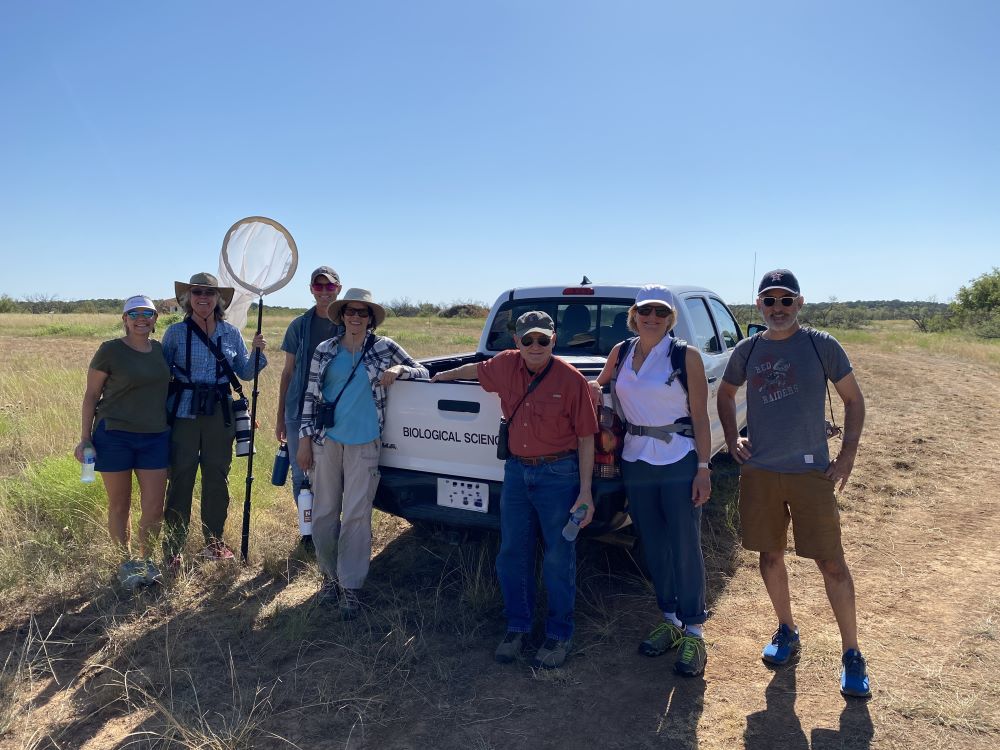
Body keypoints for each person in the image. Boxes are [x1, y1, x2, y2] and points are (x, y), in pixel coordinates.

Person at [717, 268, 871, 698]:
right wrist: (732, 438)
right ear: (759, 306)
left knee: (832, 562)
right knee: (769, 556)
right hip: (761, 471)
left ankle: (852, 653)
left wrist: (847, 456)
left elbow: (854, 400)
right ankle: (786, 629)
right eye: (769, 301)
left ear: (799, 304)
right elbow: (725, 393)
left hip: (810, 472)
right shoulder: (748, 350)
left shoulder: (821, 346)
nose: (778, 308)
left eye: (786, 300)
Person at [432, 311, 598, 669]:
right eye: (528, 340)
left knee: (558, 555)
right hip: (517, 474)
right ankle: (517, 626)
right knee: (512, 552)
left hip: (559, 474)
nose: (535, 346)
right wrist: (437, 377)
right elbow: (474, 370)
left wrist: (585, 492)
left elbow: (586, 437)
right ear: (516, 343)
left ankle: (558, 633)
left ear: (554, 341)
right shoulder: (504, 365)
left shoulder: (572, 381)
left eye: (543, 340)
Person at [589, 285, 713, 677]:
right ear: (635, 313)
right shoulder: (622, 352)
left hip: (678, 457)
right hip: (635, 459)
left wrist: (704, 467)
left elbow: (701, 414)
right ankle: (670, 620)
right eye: (646, 311)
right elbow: (600, 384)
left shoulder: (684, 356)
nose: (653, 318)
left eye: (661, 312)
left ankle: (694, 630)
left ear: (670, 317)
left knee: (684, 542)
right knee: (654, 543)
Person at [297, 289, 428, 618]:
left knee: (357, 516)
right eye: (350, 312)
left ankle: (351, 587)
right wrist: (303, 440)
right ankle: (329, 579)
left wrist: (399, 372)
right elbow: (311, 397)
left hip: (366, 441)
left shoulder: (385, 348)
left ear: (371, 318)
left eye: (362, 312)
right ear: (342, 316)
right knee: (326, 513)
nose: (356, 317)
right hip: (327, 441)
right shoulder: (325, 350)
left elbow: (423, 372)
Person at [161, 272, 267, 568]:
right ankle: (173, 548)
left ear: (219, 299)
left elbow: (245, 372)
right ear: (188, 298)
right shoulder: (174, 334)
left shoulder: (231, 333)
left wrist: (258, 351)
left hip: (220, 412)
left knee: (216, 477)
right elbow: (160, 374)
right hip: (183, 412)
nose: (203, 298)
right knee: (180, 477)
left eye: (209, 293)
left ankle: (214, 541)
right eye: (197, 293)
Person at [75, 295, 171, 589]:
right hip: (114, 435)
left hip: (155, 436)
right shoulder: (110, 350)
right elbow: (91, 396)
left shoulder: (161, 350)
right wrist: (85, 439)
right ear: (124, 319)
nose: (141, 318)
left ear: (155, 319)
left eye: (148, 313)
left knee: (154, 507)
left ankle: (147, 560)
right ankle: (125, 563)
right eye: (134, 313)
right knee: (120, 505)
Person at [275, 266, 344, 548]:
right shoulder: (298, 325)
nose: (324, 292)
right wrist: (280, 415)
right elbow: (288, 372)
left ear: (338, 289)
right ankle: (309, 533)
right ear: (311, 289)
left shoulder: (347, 323)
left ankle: (329, 531)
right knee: (300, 471)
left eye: (329, 287)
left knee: (331, 474)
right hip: (297, 408)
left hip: (334, 410)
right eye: (319, 286)